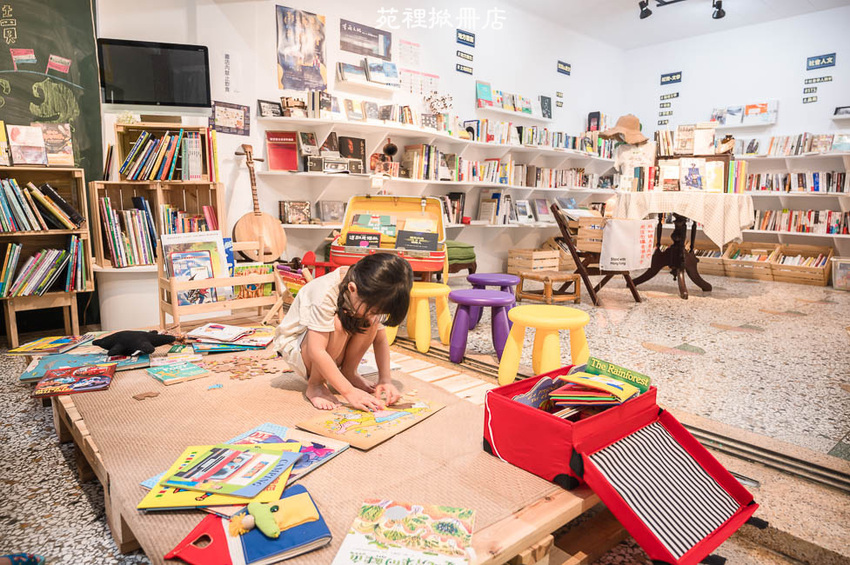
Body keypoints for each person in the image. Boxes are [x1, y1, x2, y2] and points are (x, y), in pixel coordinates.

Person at [274, 253, 413, 411]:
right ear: (352, 289)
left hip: (328, 348)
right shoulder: (325, 292)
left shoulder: (371, 290)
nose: (375, 315)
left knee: (371, 322)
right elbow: (316, 350)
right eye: (374, 310)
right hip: (298, 347)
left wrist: (385, 379)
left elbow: (380, 340)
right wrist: (349, 392)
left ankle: (349, 372)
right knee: (338, 324)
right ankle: (316, 385)